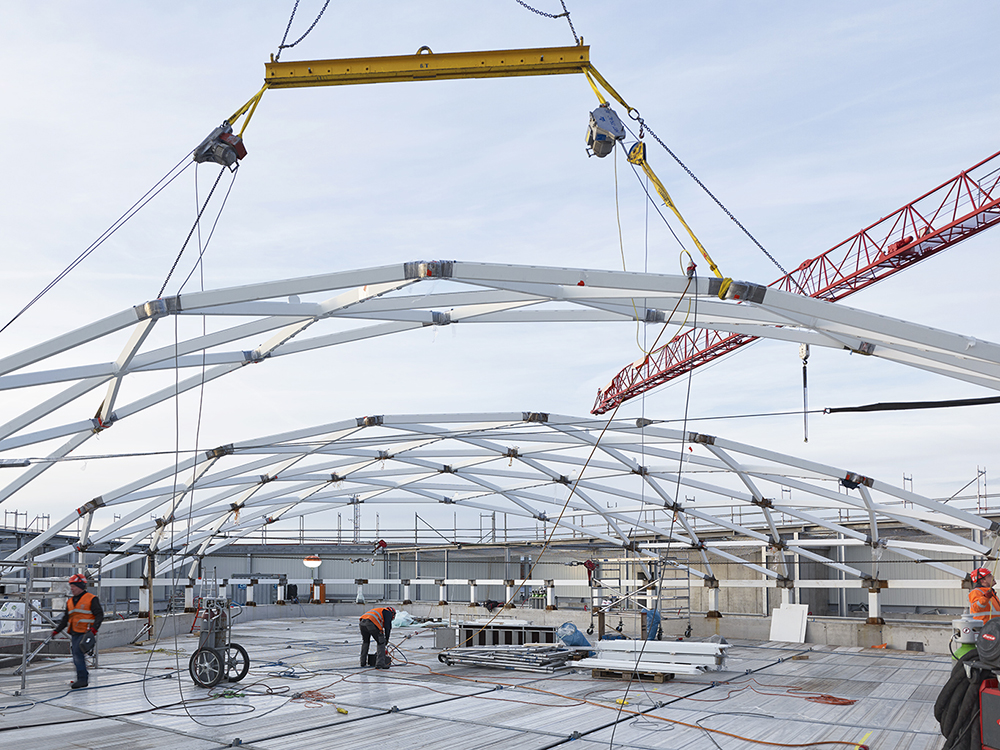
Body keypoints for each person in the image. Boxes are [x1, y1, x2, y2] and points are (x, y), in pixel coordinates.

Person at [52, 573, 104, 689]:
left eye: (74, 586)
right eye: (71, 586)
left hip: (85, 633)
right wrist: (57, 631)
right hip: (75, 633)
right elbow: (66, 618)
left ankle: (82, 679)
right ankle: (83, 677)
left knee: (77, 655)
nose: (72, 588)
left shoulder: (91, 599)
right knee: (77, 655)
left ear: (80, 586)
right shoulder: (70, 602)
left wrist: (94, 630)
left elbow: (99, 615)